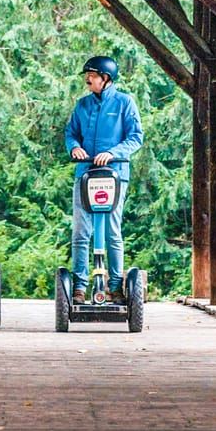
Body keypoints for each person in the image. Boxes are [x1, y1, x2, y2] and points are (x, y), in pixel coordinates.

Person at [65, 56, 143, 305]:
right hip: (85, 174)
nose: (87, 79)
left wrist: (113, 153)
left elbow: (135, 137)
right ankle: (79, 288)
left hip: (114, 175)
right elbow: (71, 133)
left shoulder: (124, 103)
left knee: (112, 232)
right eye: (87, 75)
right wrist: (74, 147)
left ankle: (115, 287)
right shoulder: (82, 105)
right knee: (80, 232)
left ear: (106, 78)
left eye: (92, 75)